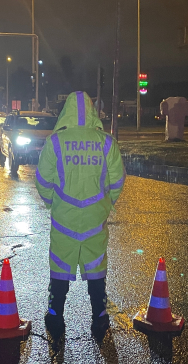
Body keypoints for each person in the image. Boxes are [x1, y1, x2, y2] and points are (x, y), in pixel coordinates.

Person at [35, 91, 125, 339]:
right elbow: (117, 182)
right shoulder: (107, 142)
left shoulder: (55, 141)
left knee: (60, 269)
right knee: (96, 270)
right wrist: (105, 204)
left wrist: (53, 204)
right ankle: (99, 317)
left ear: (67, 111)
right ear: (92, 111)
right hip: (95, 220)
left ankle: (55, 317)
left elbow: (42, 180)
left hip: (64, 219)